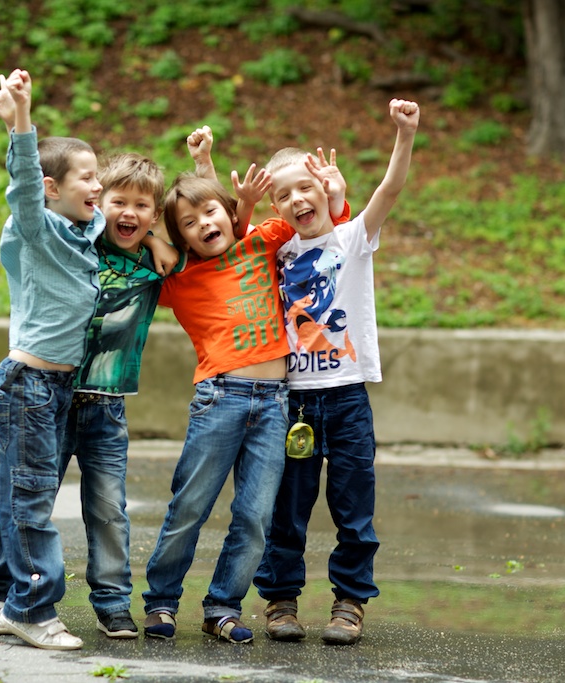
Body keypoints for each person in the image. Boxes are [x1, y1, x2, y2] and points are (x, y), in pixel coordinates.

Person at [139, 129, 345, 644]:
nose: (203, 225)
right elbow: (119, 239)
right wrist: (152, 237)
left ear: (229, 215)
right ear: (181, 239)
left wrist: (236, 190)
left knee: (254, 516)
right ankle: (161, 602)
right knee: (190, 507)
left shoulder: (260, 243)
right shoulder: (179, 279)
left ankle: (222, 608)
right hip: (220, 399)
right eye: (189, 224)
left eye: (210, 214)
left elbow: (321, 221)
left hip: (276, 404)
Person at [253, 98, 421, 645]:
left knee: (354, 510)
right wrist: (209, 169)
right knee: (287, 509)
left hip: (347, 398)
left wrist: (404, 134)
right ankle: (281, 600)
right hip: (293, 400)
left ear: (325, 189)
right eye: (284, 195)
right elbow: (227, 233)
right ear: (276, 208)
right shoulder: (276, 253)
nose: (297, 199)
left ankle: (350, 602)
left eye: (305, 187)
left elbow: (390, 190)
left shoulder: (353, 239)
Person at [0, 68, 105, 652]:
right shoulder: (35, 228)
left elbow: (120, 216)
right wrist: (20, 120)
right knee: (30, 500)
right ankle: (32, 608)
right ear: (52, 188)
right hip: (29, 383)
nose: (98, 185)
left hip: (60, 386)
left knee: (25, 496)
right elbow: (24, 184)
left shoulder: (84, 230)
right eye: (87, 177)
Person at [57, 151, 178, 639]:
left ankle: (112, 603)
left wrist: (154, 239)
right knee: (31, 501)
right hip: (53, 394)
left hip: (107, 405)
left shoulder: (156, 263)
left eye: (142, 207)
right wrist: (149, 234)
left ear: (155, 213)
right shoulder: (77, 239)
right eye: (118, 202)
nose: (129, 213)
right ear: (98, 202)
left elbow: (209, 231)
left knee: (109, 509)